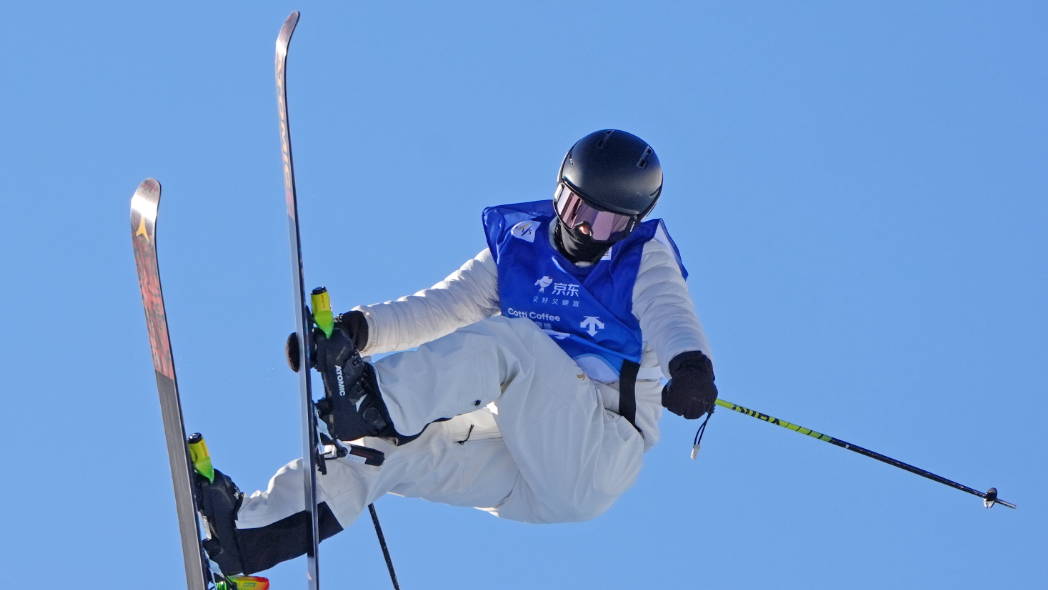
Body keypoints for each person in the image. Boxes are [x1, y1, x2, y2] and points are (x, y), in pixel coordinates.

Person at [196, 129, 718, 575]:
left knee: (512, 341)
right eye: (575, 207)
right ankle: (253, 536)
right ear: (559, 190)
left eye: (606, 224)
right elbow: (445, 305)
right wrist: (359, 330)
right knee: (381, 450)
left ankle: (374, 402)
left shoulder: (642, 260)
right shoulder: (522, 243)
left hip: (594, 454)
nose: (584, 228)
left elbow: (670, 315)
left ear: (631, 224)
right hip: (517, 451)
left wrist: (691, 369)